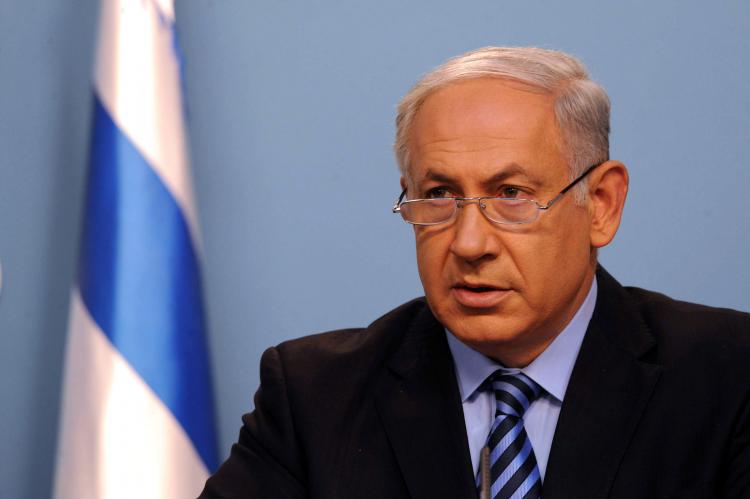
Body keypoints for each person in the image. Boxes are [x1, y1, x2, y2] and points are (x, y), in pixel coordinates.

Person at [199, 47, 750, 499]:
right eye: (438, 195)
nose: (468, 243)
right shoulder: (313, 396)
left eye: (511, 194)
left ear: (601, 204)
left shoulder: (729, 377)